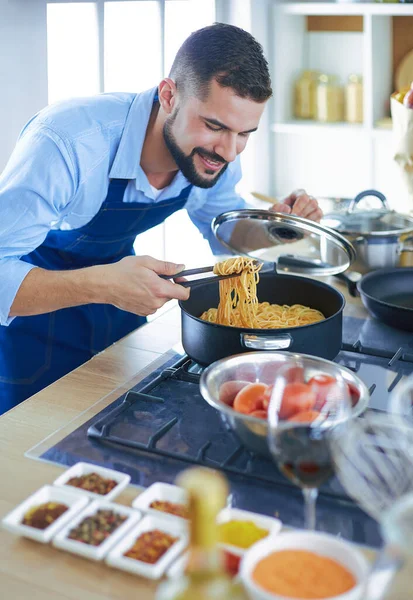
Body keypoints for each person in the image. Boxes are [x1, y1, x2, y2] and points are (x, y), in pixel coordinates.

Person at [0, 23, 322, 414]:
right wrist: (102, 286)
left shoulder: (216, 154)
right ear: (168, 95)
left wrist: (274, 229)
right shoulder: (68, 143)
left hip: (118, 318)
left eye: (245, 133)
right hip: (30, 328)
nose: (230, 152)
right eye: (214, 126)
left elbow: (222, 227)